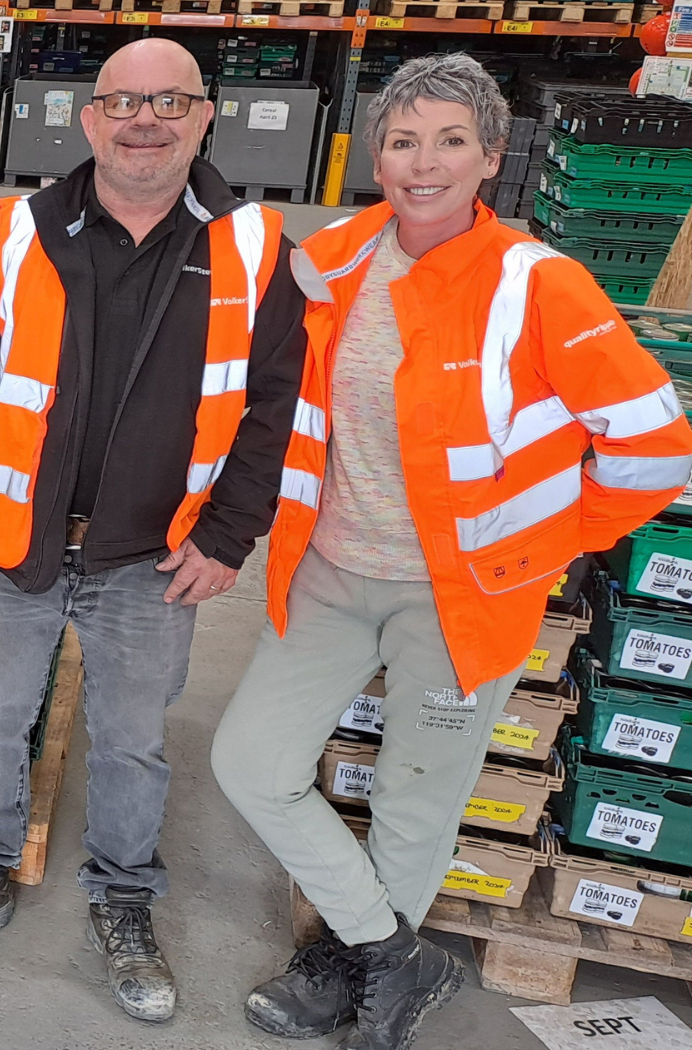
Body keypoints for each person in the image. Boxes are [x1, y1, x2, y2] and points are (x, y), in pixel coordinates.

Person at [210, 53, 692, 1050]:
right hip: (333, 573)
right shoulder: (331, 260)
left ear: (490, 157)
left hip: (458, 595)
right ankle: (392, 956)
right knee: (249, 763)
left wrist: (546, 540)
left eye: (448, 140)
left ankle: (351, 968)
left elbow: (654, 445)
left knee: (413, 800)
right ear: (372, 154)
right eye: (400, 140)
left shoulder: (536, 285)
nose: (420, 162)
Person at [0, 38, 306, 1020]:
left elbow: (272, 410)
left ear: (203, 117)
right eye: (122, 102)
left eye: (169, 102)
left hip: (150, 555)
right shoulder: (14, 234)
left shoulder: (256, 253)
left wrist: (227, 536)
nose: (143, 121)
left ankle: (122, 896)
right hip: (8, 542)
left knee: (131, 740)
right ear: (86, 120)